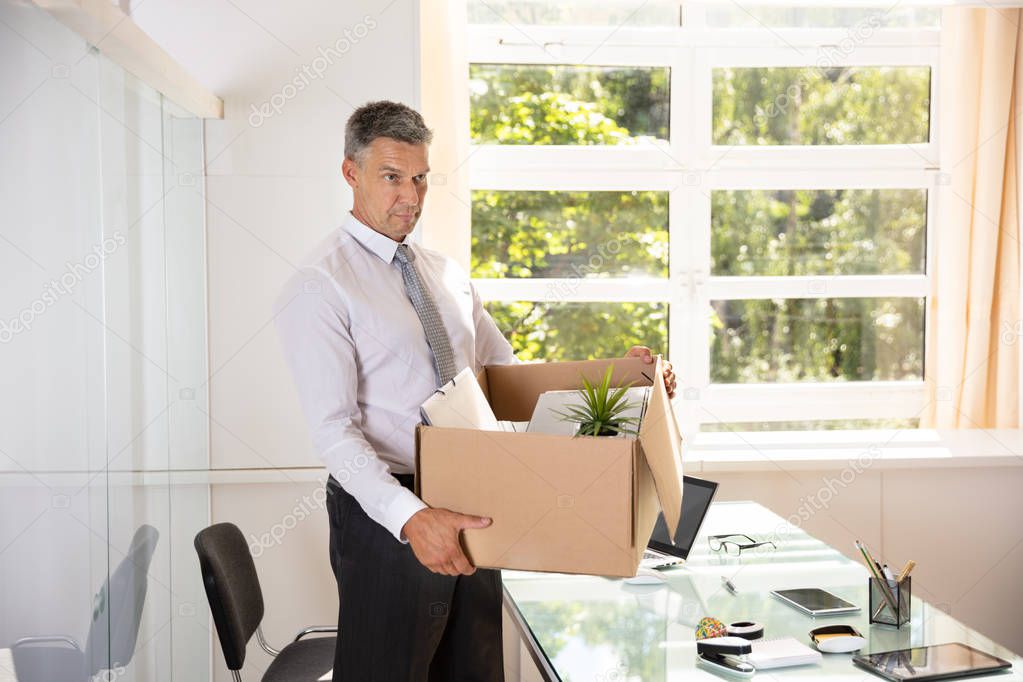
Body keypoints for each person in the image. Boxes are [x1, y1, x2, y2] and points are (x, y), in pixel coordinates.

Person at [274, 100, 677, 681]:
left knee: (475, 671)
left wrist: (626, 380)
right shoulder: (320, 285)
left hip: (477, 498)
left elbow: (510, 378)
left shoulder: (444, 273)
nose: (409, 196)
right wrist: (413, 519)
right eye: (391, 177)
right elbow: (333, 432)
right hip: (390, 513)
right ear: (350, 173)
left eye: (419, 179)